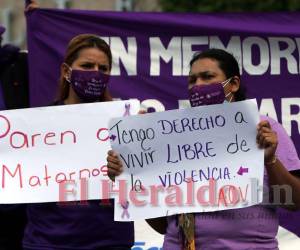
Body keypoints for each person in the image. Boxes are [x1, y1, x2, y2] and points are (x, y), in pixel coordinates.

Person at [107, 48, 300, 250]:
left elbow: (294, 202)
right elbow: (163, 226)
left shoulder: (263, 129)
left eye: (207, 77)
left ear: (233, 84)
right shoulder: (173, 137)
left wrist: (270, 160)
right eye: (192, 80)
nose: (198, 85)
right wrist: (129, 180)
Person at [23, 34, 134, 250]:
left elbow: (141, 187)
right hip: (48, 242)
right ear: (66, 71)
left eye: (103, 68)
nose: (95, 73)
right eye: (87, 65)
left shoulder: (124, 123)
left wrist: (123, 173)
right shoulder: (36, 125)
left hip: (110, 242)